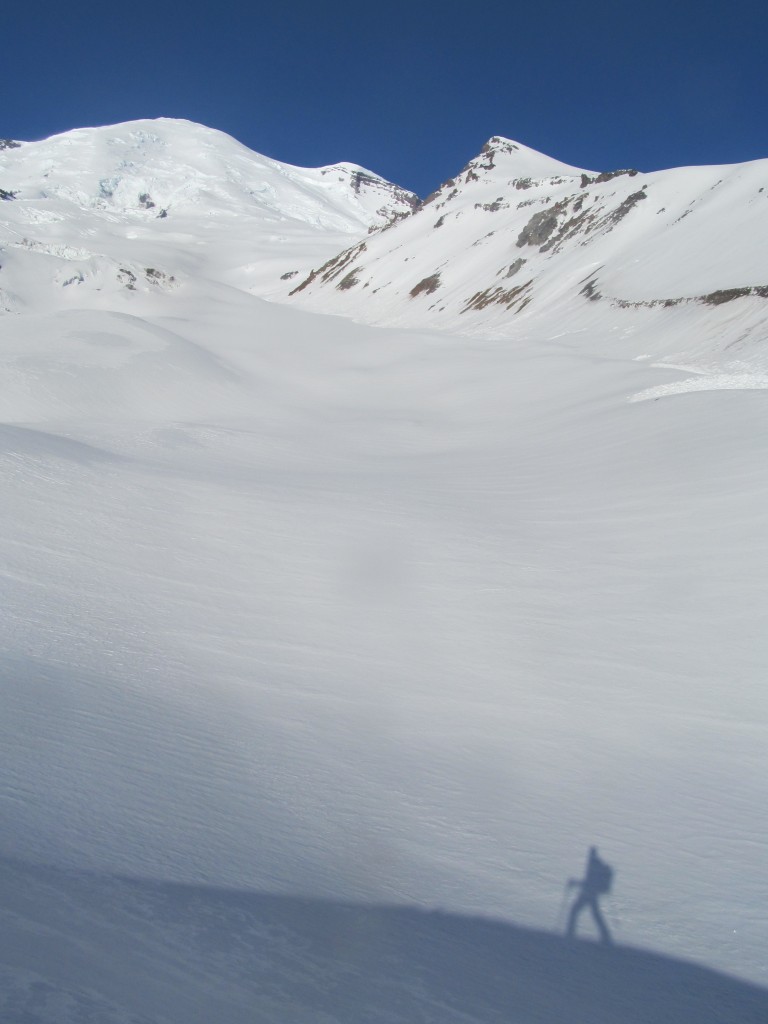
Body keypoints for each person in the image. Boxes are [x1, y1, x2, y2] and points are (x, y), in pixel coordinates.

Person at [566, 846, 613, 944]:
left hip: (588, 893)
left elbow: (589, 882)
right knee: (594, 914)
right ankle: (606, 936)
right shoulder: (595, 864)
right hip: (589, 893)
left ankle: (570, 934)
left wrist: (575, 883)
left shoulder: (593, 865)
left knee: (575, 911)